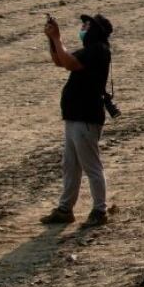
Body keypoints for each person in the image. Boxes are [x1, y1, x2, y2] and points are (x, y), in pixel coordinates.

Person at [40, 13, 114, 228]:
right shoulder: (91, 50)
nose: (82, 27)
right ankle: (65, 209)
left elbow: (70, 63)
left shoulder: (98, 51)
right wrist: (52, 39)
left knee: (91, 167)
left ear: (95, 30)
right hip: (75, 116)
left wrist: (57, 38)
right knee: (70, 165)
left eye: (86, 25)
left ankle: (100, 210)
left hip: (86, 117)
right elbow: (60, 61)